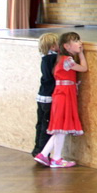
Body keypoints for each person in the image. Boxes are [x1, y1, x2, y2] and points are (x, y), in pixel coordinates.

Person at [35, 31, 87, 168]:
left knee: (60, 129)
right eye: (76, 41)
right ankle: (51, 156)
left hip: (61, 94)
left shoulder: (58, 59)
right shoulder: (67, 60)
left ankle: (48, 155)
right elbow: (84, 68)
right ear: (66, 46)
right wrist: (81, 54)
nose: (80, 43)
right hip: (64, 95)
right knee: (61, 128)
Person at [31, 32, 59, 159]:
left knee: (40, 124)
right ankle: (42, 152)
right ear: (53, 46)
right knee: (46, 126)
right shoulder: (53, 58)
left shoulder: (44, 58)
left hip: (41, 96)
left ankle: (37, 149)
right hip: (49, 97)